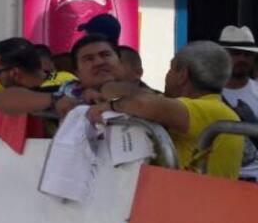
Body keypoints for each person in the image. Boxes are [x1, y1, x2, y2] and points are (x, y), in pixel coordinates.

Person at [89, 41, 244, 179]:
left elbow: (144, 104)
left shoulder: (213, 111)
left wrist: (111, 106)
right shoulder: (201, 106)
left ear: (182, 75)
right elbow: (140, 93)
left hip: (198, 206)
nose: (167, 75)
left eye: (171, 69)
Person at [219, 26, 258, 182]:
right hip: (219, 180)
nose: (242, 58)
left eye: (247, 54)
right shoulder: (205, 92)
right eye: (235, 53)